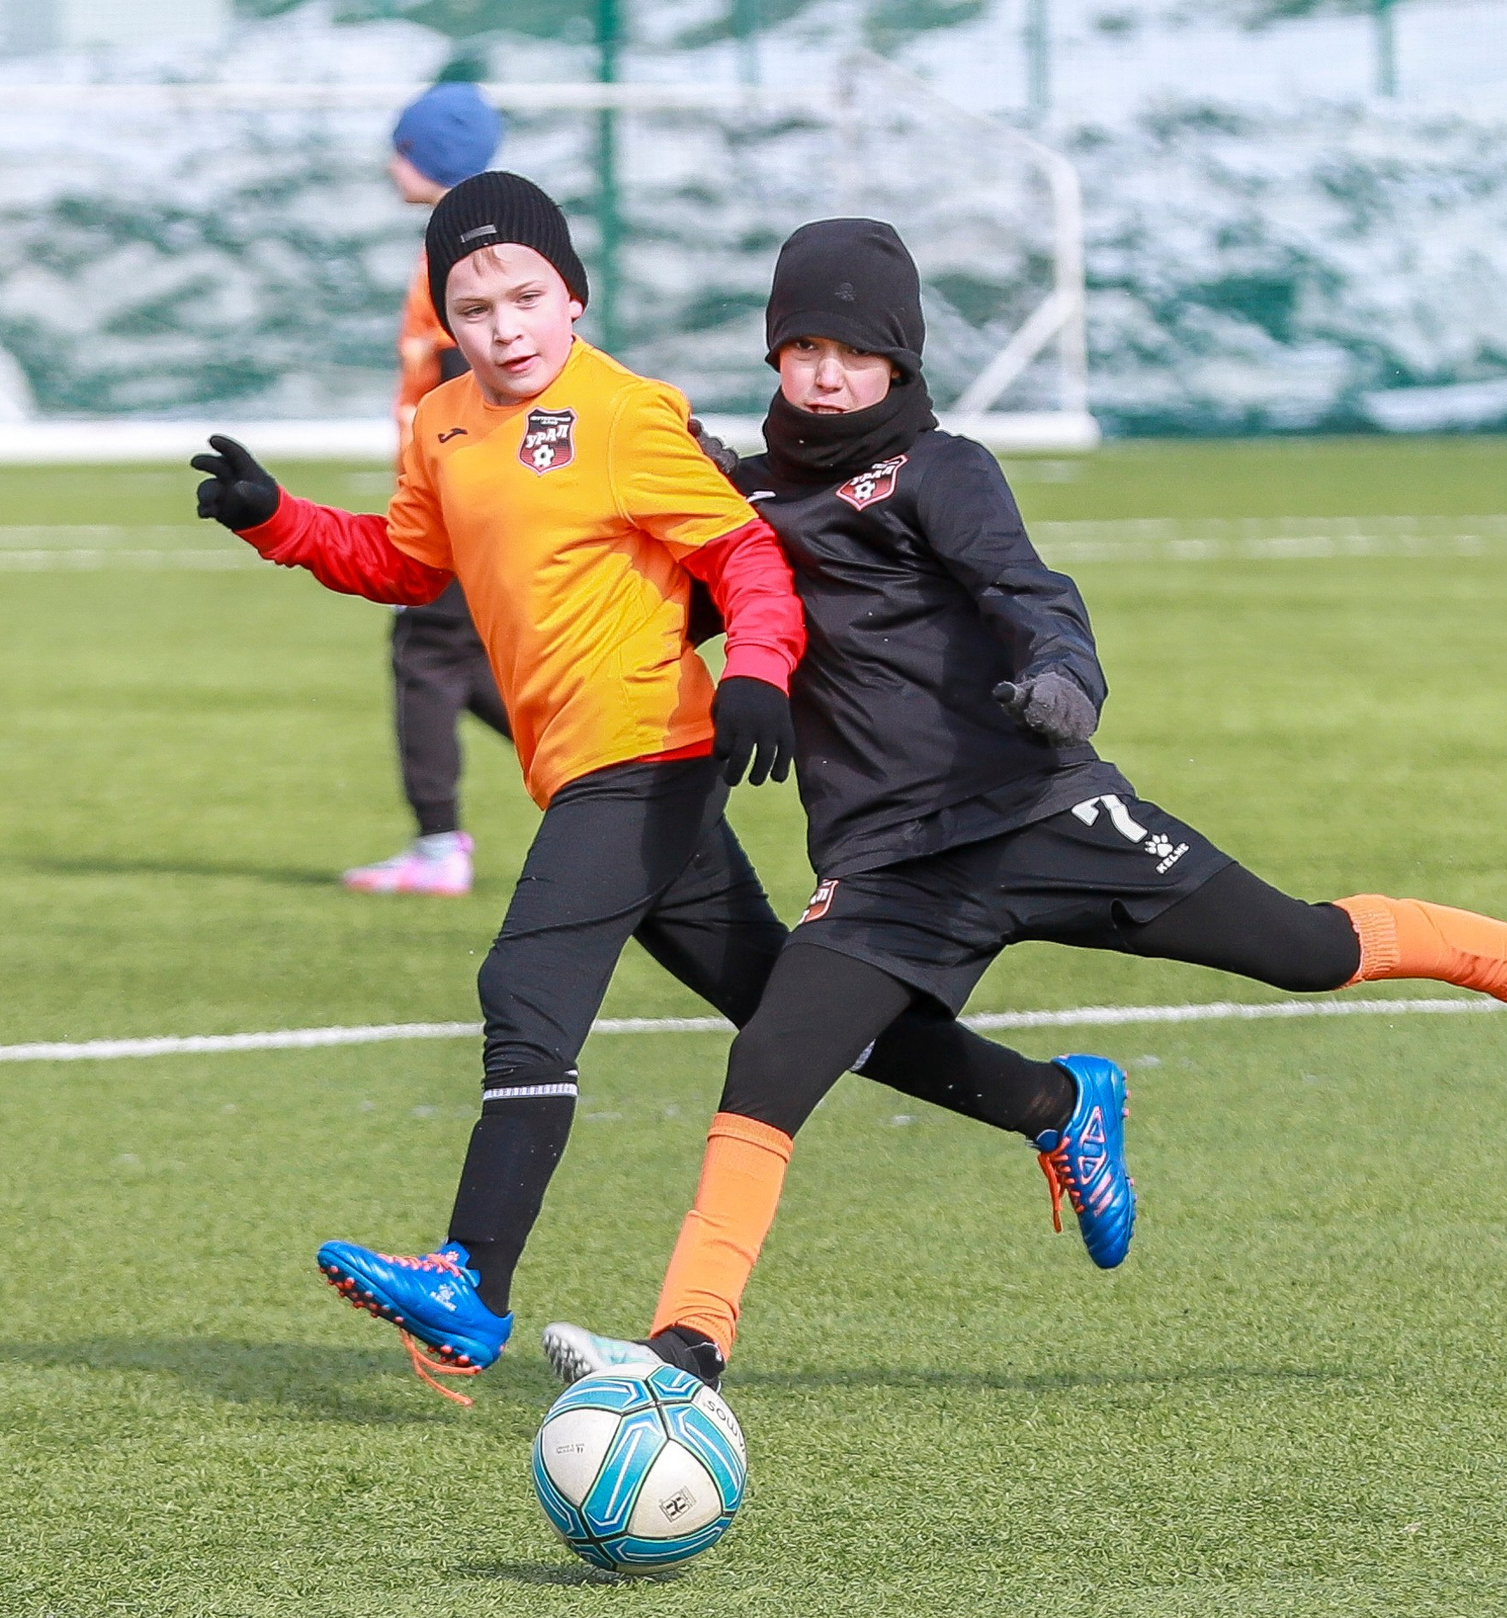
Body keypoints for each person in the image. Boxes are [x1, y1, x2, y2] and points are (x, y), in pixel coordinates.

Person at [542, 219, 1507, 1392]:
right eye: (803, 347)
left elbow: (1028, 592)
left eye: (855, 351)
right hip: (887, 863)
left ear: (901, 361)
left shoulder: (943, 468)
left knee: (1304, 948)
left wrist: (1061, 681)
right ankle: (684, 1348)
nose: (827, 373)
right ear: (774, 354)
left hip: (1035, 811)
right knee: (772, 1063)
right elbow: (663, 613)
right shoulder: (745, 500)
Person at [191, 178, 1120, 1403]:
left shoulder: (632, 417)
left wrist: (755, 675)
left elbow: (744, 550)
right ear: (445, 320)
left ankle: (469, 1281)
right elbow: (411, 563)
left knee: (524, 983)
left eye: (528, 296)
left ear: (574, 297)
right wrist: (277, 520)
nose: (505, 325)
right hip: (576, 765)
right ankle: (1054, 1102)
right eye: (474, 307)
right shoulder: (441, 428)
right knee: (781, 1010)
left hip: (647, 755)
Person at [345, 81, 512, 898]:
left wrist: (448, 485)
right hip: (461, 489)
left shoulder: (458, 253)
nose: (389, 162)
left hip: (454, 495)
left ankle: (439, 845)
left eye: (402, 148)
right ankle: (608, 769)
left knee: (424, 653)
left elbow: (465, 369)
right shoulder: (465, 241)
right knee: (463, 658)